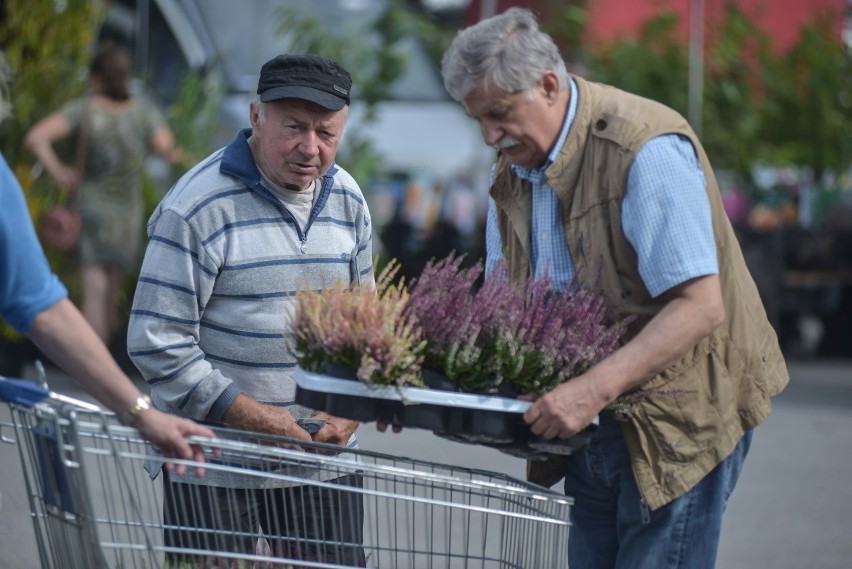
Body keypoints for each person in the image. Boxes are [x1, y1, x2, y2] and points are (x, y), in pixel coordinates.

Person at [440, 9, 788, 568]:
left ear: (548, 85)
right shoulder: (510, 171)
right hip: (591, 424)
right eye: (477, 118)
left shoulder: (642, 150)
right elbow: (502, 310)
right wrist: (424, 389)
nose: (489, 135)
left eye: (500, 113)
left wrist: (589, 390)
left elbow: (700, 308)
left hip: (678, 415)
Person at [126, 53, 372, 565]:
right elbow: (157, 340)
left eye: (327, 133)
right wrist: (258, 418)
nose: (311, 148)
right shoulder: (196, 206)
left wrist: (350, 409)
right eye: (295, 128)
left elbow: (366, 325)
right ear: (256, 115)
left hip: (320, 461)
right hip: (215, 461)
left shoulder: (349, 199)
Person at [24, 45, 186, 346]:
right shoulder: (143, 110)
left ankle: (92, 366)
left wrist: (60, 171)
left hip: (93, 209)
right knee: (112, 295)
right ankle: (108, 362)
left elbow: (36, 137)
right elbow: (166, 147)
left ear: (97, 77)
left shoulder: (85, 109)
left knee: (94, 294)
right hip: (128, 213)